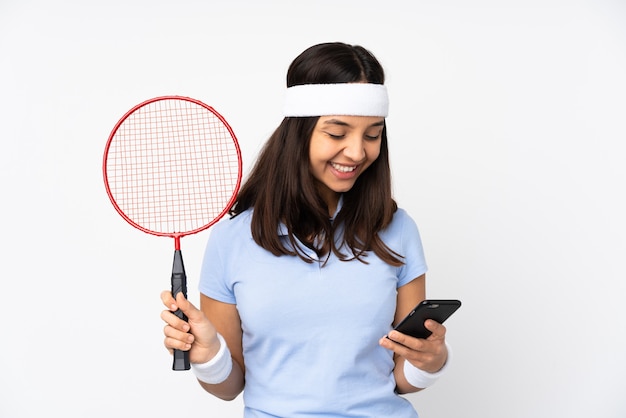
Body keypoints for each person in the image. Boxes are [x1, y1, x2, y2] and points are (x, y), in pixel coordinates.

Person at [160, 41, 452, 417]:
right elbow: (229, 387)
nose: (357, 152)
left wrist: (430, 361)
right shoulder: (233, 239)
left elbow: (398, 377)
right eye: (336, 133)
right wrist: (208, 355)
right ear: (300, 131)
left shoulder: (397, 229)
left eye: (372, 134)